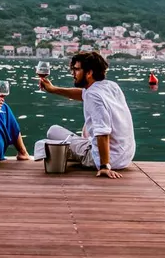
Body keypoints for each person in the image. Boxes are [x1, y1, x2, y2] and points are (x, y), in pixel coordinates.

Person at [36, 51, 135, 179]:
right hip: (125, 156)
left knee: (50, 135)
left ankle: (81, 155)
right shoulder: (111, 86)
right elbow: (82, 94)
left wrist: (104, 166)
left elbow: (103, 132)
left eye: (76, 70)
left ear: (89, 73)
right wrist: (53, 89)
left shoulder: (93, 95)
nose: (73, 73)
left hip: (103, 159)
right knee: (55, 131)